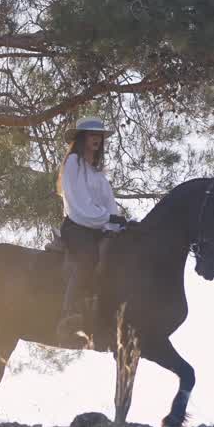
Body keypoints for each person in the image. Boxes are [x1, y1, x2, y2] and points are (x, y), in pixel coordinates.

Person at [56, 115, 130, 343]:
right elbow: (78, 204)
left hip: (99, 225)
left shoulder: (98, 174)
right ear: (82, 138)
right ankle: (69, 313)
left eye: (99, 135)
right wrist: (106, 219)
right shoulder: (72, 164)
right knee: (88, 257)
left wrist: (116, 222)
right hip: (77, 226)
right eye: (92, 135)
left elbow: (109, 205)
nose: (97, 139)